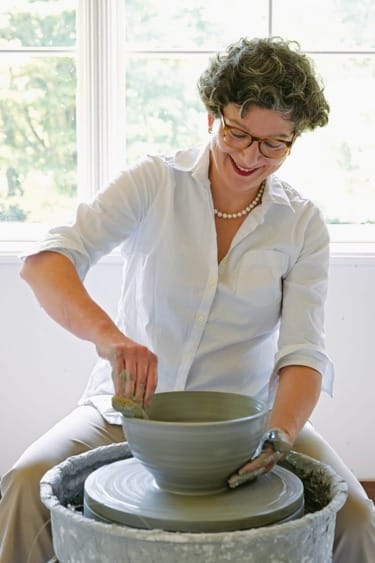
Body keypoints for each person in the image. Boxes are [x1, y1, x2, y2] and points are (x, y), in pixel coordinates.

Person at [0, 36, 374, 562]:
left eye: (274, 144)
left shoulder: (303, 223)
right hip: (127, 410)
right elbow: (46, 263)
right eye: (238, 132)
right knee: (25, 481)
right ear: (210, 116)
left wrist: (279, 435)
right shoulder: (155, 181)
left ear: (295, 140)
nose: (250, 156)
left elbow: (303, 355)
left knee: (356, 515)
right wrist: (112, 341)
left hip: (250, 423)